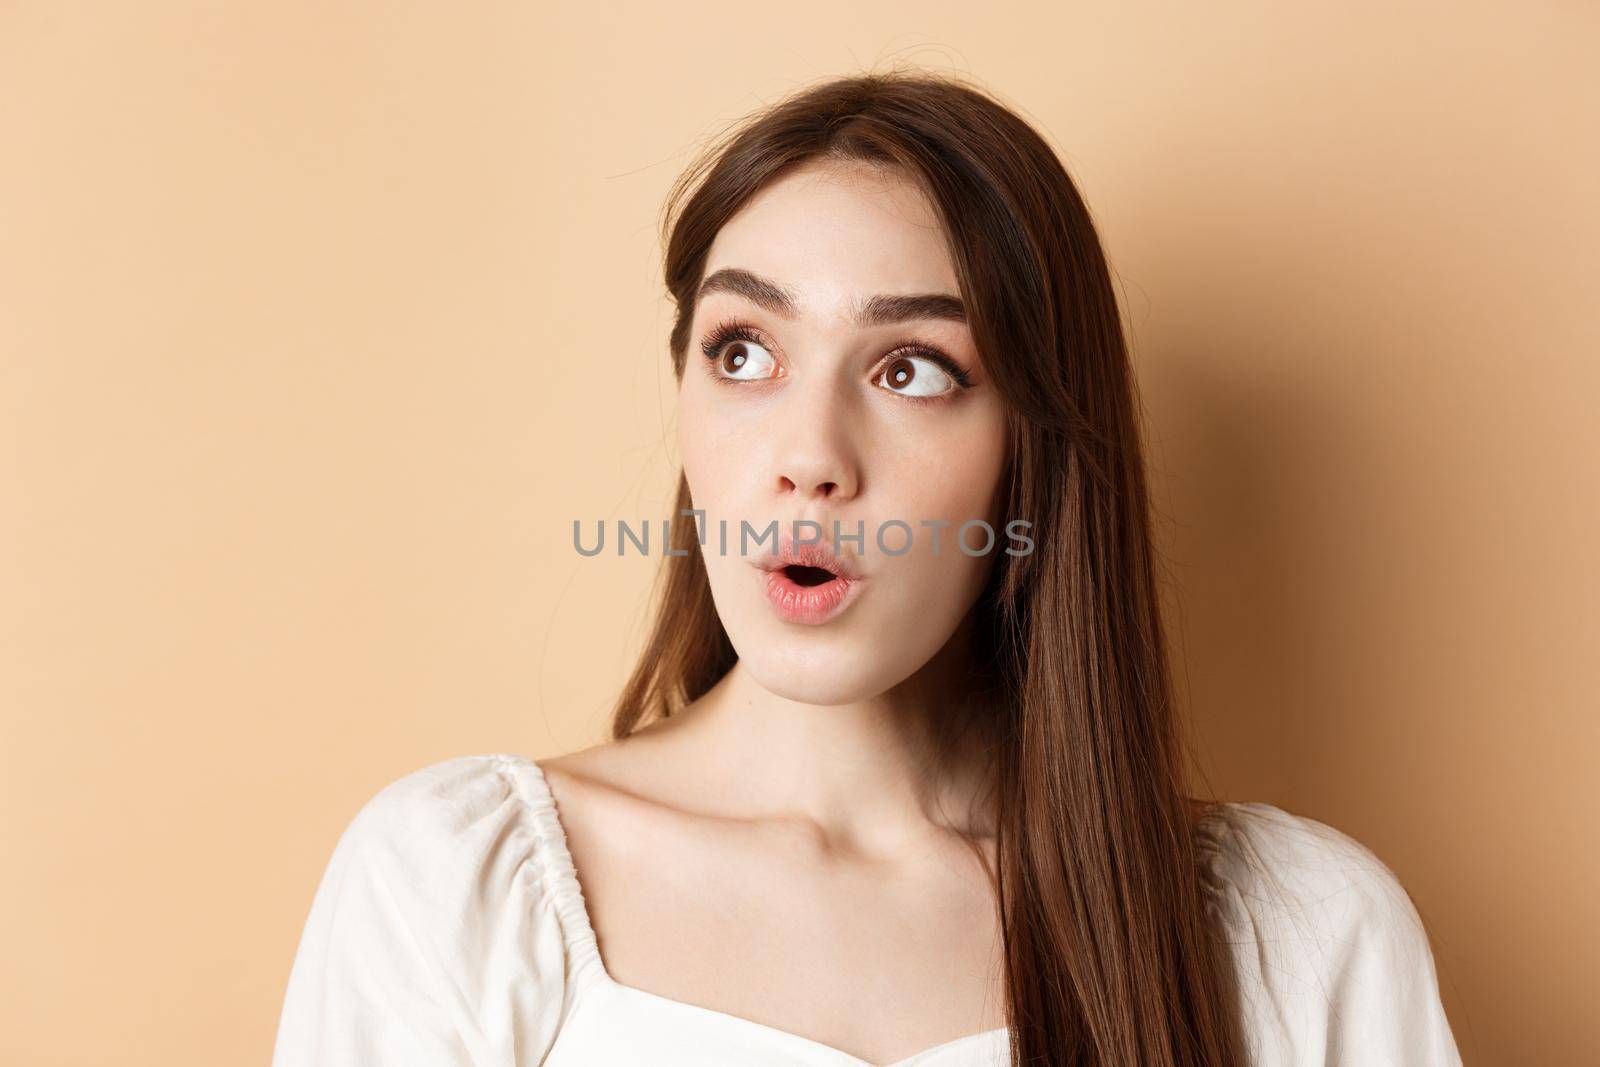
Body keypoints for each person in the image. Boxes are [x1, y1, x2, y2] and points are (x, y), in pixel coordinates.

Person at [270, 71, 1462, 1066]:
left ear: (1035, 454)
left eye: (913, 369)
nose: (809, 460)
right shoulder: (458, 888)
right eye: (743, 352)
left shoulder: (1295, 937)